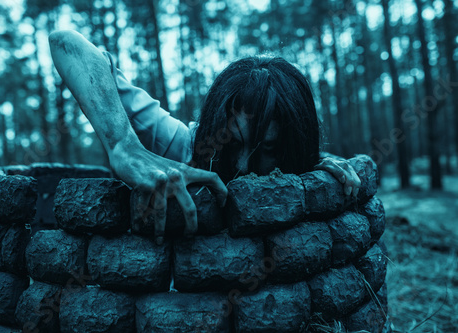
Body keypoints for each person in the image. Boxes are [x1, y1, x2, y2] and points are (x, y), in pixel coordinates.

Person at [49, 30, 361, 245]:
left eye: (268, 148)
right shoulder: (183, 147)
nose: (243, 165)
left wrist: (310, 165)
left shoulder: (301, 164)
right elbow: (66, 44)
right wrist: (123, 145)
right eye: (234, 142)